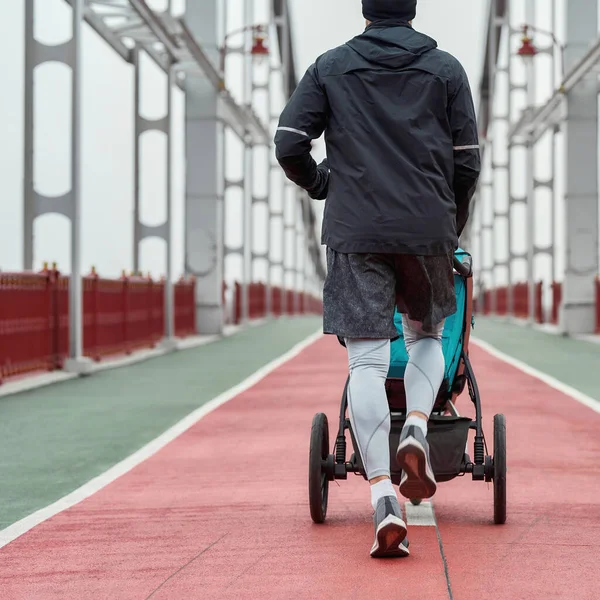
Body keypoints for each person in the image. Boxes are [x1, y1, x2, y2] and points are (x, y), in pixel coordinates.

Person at [275, 0, 480, 558]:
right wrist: (447, 223)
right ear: (412, 10)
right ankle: (416, 423)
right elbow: (467, 163)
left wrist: (324, 186)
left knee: (365, 362)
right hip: (426, 229)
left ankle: (384, 497)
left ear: (365, 11)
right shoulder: (446, 70)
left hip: (356, 231)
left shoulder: (330, 66)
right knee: (428, 338)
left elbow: (289, 143)